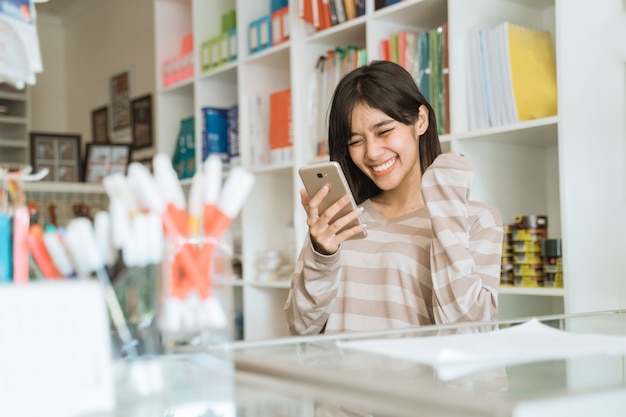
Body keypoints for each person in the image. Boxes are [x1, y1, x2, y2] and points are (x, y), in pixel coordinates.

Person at [284, 60, 503, 335]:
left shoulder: (476, 220)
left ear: (420, 120)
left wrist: (445, 200)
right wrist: (323, 254)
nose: (372, 152)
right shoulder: (339, 221)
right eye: (356, 141)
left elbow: (469, 328)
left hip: (417, 379)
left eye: (384, 131)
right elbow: (300, 327)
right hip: (338, 378)